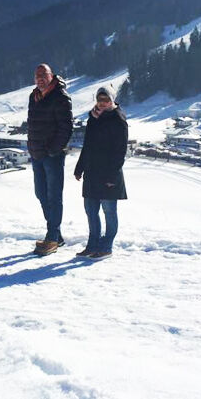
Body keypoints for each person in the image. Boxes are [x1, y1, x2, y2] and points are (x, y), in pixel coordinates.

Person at [74, 85, 128, 259]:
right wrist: (79, 167)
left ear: (112, 100)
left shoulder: (118, 119)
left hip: (108, 174)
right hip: (91, 172)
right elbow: (87, 145)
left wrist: (112, 176)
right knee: (91, 211)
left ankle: (106, 246)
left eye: (106, 99)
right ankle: (93, 245)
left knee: (109, 212)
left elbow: (120, 152)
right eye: (99, 99)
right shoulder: (93, 118)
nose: (102, 103)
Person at [27, 63, 73, 256]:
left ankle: (52, 238)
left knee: (54, 196)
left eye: (43, 75)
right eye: (37, 76)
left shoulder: (61, 97)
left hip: (52, 156)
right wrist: (32, 147)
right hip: (37, 154)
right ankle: (57, 235)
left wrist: (53, 150)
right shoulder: (33, 96)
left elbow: (66, 128)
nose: (40, 79)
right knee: (41, 193)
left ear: (51, 75)